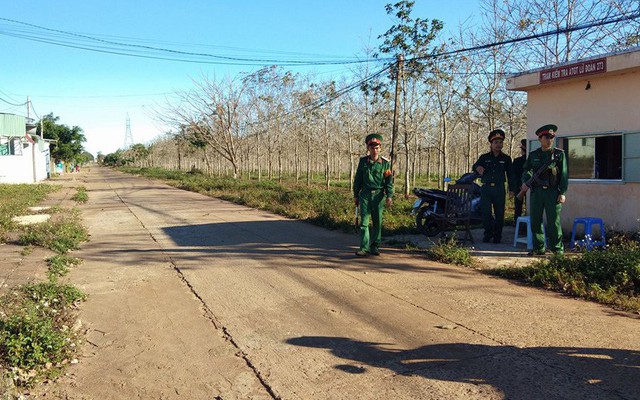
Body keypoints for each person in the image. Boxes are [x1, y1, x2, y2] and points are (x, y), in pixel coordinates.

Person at [520, 124, 568, 255]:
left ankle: (557, 249)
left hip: (552, 192)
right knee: (536, 221)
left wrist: (562, 192)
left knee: (554, 222)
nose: (549, 140)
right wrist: (526, 182)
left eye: (551, 137)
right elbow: (526, 170)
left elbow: (563, 174)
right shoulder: (533, 155)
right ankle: (538, 248)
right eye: (546, 137)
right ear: (540, 138)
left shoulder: (559, 155)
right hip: (537, 192)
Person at [472, 128, 516, 243]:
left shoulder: (506, 159)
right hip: (486, 188)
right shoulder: (484, 157)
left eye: (500, 142)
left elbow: (511, 174)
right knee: (486, 213)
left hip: (499, 188)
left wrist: (511, 189)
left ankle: (497, 236)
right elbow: (475, 166)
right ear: (491, 144)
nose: (498, 144)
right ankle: (488, 234)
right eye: (496, 142)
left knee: (499, 214)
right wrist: (478, 168)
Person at [353, 133, 394, 256]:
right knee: (364, 222)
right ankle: (364, 248)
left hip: (378, 195)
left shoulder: (385, 163)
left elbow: (389, 181)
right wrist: (356, 194)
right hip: (365, 194)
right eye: (372, 148)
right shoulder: (363, 162)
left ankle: (375, 246)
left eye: (377, 148)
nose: (374, 150)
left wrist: (389, 196)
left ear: (380, 148)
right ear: (368, 148)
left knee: (377, 222)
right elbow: (358, 180)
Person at [512, 139, 527, 221]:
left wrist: (519, 186)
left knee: (518, 207)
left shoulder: (517, 161)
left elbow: (514, 176)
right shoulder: (529, 160)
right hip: (527, 186)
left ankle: (517, 222)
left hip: (519, 186)